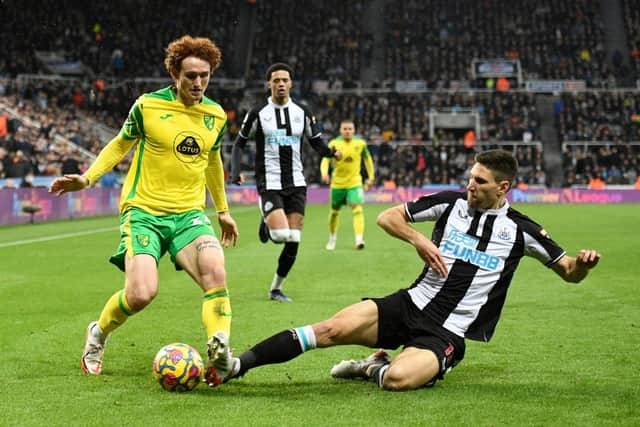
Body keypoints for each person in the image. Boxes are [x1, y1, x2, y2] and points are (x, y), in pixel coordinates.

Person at [209, 149, 600, 391]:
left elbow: (567, 270)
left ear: (503, 187)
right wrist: (419, 239)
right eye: (469, 178)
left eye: (479, 182)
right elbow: (388, 217)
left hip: (447, 331)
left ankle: (373, 367)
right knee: (328, 329)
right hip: (409, 304)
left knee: (399, 379)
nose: (469, 186)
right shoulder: (450, 204)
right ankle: (237, 365)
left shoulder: (520, 230)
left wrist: (580, 265)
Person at [49, 35, 239, 387]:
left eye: (205, 76)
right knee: (141, 294)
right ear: (174, 73)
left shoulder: (215, 114)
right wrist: (88, 178)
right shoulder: (148, 106)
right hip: (144, 211)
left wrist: (223, 210)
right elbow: (121, 142)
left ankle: (221, 351)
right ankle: (98, 332)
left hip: (189, 214)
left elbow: (212, 161)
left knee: (216, 271)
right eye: (191, 76)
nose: (198, 83)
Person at [231, 62, 341, 302]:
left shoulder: (303, 111)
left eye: (285, 80)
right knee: (280, 235)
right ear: (269, 84)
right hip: (269, 181)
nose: (281, 84)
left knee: (294, 239)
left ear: (291, 83)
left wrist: (332, 152)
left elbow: (316, 143)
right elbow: (239, 144)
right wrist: (235, 171)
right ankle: (266, 218)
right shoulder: (258, 112)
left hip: (297, 181)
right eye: (276, 80)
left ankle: (275, 289)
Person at [320, 119, 374, 250]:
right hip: (337, 184)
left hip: (355, 183)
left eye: (350, 129)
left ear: (354, 130)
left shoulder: (360, 144)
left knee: (357, 209)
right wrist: (324, 173)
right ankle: (332, 239)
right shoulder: (334, 143)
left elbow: (368, 160)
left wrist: (371, 177)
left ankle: (359, 240)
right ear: (340, 130)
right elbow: (326, 159)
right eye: (345, 129)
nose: (348, 131)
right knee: (334, 212)